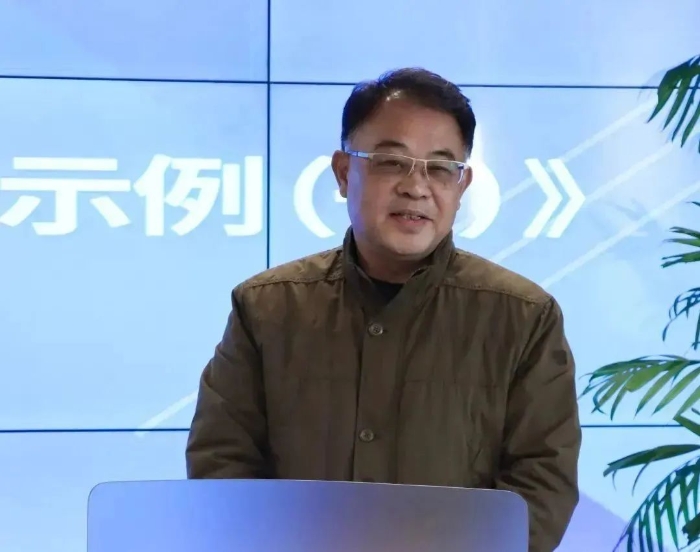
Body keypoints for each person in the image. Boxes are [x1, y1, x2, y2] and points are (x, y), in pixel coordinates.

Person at [185, 67, 581, 552]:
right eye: (391, 162)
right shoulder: (266, 308)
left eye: (440, 168)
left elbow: (541, 488)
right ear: (343, 173)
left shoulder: (523, 318)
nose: (416, 187)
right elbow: (222, 468)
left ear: (462, 186)